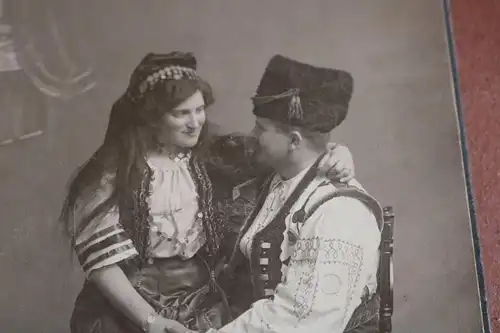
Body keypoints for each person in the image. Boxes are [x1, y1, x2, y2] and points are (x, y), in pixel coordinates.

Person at [58, 52, 358, 333]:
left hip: (201, 302)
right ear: (151, 117)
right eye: (181, 113)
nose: (195, 122)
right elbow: (102, 266)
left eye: (199, 110)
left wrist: (336, 152)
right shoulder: (111, 175)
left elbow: (292, 150)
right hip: (130, 306)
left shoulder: (215, 154)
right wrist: (150, 321)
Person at [205, 55, 384, 333]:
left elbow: (300, 319)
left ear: (294, 141)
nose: (252, 135)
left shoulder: (339, 214)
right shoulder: (278, 174)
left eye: (261, 128)